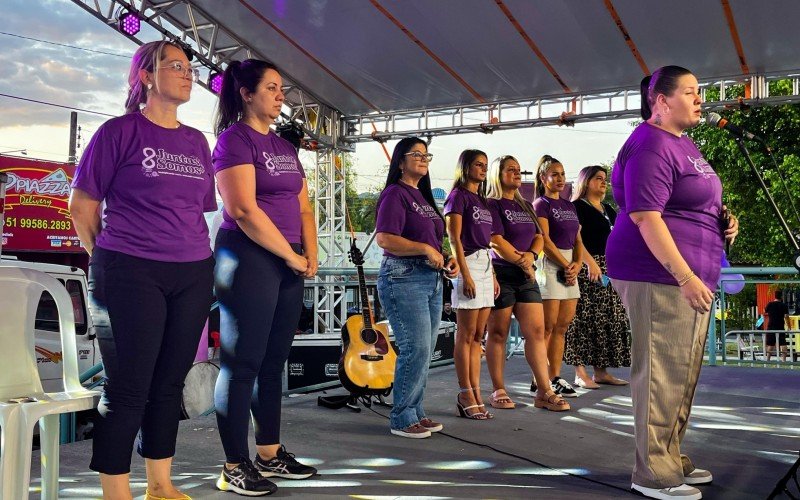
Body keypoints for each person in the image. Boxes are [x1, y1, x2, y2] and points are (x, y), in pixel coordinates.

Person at [69, 40, 216, 500]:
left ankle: (160, 485)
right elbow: (82, 207)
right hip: (129, 269)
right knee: (130, 385)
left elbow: (199, 210)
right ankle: (117, 491)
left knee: (170, 383)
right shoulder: (117, 132)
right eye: (175, 65)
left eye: (190, 67)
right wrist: (110, 259)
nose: (187, 73)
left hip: (192, 271)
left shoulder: (197, 142)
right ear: (146, 77)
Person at [606, 65, 739, 500]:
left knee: (681, 374)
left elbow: (690, 200)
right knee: (661, 373)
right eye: (689, 92)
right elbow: (646, 216)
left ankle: (669, 455)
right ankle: (653, 475)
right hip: (657, 274)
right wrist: (684, 275)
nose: (700, 99)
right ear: (660, 101)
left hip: (689, 272)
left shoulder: (682, 143)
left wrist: (721, 220)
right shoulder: (650, 145)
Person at [212, 59, 318, 495]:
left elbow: (305, 207)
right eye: (272, 88)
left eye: (282, 89)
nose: (281, 96)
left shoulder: (284, 148)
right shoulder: (233, 140)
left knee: (272, 363)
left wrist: (309, 253)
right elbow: (242, 210)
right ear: (246, 93)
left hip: (288, 261)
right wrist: (290, 256)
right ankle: (233, 464)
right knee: (242, 364)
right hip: (248, 257)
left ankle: (269, 455)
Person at [375, 137, 459, 438]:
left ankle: (415, 410)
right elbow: (385, 239)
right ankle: (401, 417)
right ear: (400, 161)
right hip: (403, 277)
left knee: (425, 350)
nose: (424, 159)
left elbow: (432, 243)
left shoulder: (422, 197)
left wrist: (446, 257)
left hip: (430, 279)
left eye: (427, 155)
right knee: (416, 347)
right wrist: (425, 248)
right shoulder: (394, 194)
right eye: (417, 154)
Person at [485, 156, 569, 411]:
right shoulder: (492, 204)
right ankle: (498, 389)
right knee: (498, 333)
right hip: (502, 274)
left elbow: (539, 237)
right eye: (510, 170)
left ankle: (544, 391)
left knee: (536, 333)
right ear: (497, 174)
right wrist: (521, 261)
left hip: (526, 274)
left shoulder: (524, 204)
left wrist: (531, 257)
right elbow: (495, 240)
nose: (517, 173)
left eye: (519, 170)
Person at [565, 166, 631, 389]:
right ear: (586, 181)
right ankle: (579, 372)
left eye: (605, 179)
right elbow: (575, 240)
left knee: (607, 319)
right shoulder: (576, 208)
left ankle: (601, 372)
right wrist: (589, 262)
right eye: (598, 179)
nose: (604, 183)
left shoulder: (608, 209)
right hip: (588, 268)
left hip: (610, 270)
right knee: (583, 320)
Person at [445, 149, 499, 420]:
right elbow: (453, 238)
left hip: (485, 263)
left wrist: (493, 275)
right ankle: (465, 391)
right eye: (478, 164)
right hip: (467, 262)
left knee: (479, 336)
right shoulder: (457, 196)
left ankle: (477, 391)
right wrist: (464, 275)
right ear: (465, 166)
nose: (482, 169)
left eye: (485, 165)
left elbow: (488, 241)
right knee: (465, 335)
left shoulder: (483, 200)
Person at [532, 155, 583, 399]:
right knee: (547, 327)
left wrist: (577, 264)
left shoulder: (570, 205)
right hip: (551, 265)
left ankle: (555, 376)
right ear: (543, 178)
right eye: (555, 174)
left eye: (563, 174)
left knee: (562, 326)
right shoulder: (541, 204)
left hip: (570, 265)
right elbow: (545, 240)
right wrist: (565, 264)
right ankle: (539, 379)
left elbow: (578, 240)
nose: (560, 179)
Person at [764, 290, 790, 362]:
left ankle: (768, 359)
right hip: (780, 326)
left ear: (775, 296)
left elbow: (765, 311)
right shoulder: (784, 305)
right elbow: (786, 317)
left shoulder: (770, 304)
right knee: (783, 343)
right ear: (781, 296)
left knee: (770, 345)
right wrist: (789, 326)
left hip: (771, 326)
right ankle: (783, 360)